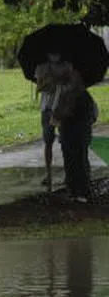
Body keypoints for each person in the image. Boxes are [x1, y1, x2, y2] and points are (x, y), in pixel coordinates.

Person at [35, 54, 80, 190]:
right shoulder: (41, 67)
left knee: (66, 141)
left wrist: (63, 79)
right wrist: (49, 81)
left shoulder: (67, 65)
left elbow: (73, 84)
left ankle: (69, 174)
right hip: (47, 109)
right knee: (48, 141)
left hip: (62, 108)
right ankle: (48, 174)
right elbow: (38, 88)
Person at [55, 86, 95, 203]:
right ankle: (74, 190)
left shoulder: (81, 96)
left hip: (77, 133)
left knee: (78, 161)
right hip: (71, 133)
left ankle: (81, 191)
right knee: (72, 161)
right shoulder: (69, 95)